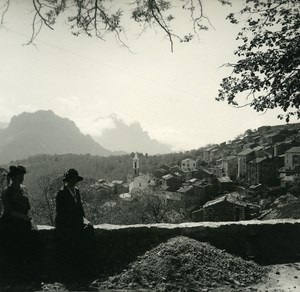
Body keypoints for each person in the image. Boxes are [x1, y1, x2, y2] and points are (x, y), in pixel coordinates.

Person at [55, 168, 96, 281]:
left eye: (75, 180)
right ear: (67, 180)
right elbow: (61, 213)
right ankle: (72, 274)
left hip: (76, 223)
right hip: (65, 226)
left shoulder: (76, 191)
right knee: (72, 247)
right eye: (71, 179)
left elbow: (80, 209)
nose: (73, 182)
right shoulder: (61, 193)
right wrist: (74, 223)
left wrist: (84, 220)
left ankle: (83, 271)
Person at [0, 165, 39, 281]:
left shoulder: (24, 188)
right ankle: (18, 273)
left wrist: (30, 218)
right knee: (18, 240)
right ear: (12, 178)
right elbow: (9, 210)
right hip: (12, 221)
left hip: (25, 219)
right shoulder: (7, 191)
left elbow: (28, 206)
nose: (21, 178)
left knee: (34, 234)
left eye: (22, 176)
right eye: (18, 176)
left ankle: (30, 271)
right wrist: (23, 217)